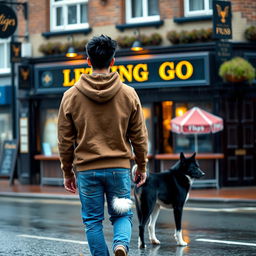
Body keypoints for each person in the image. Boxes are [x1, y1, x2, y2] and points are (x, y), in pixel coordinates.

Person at [57, 35, 148, 256]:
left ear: (88, 61)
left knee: (92, 222)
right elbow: (139, 137)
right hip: (119, 169)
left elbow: (64, 140)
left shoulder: (71, 96)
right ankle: (120, 245)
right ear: (113, 61)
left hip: (87, 171)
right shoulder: (129, 94)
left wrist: (67, 172)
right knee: (122, 215)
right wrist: (142, 166)